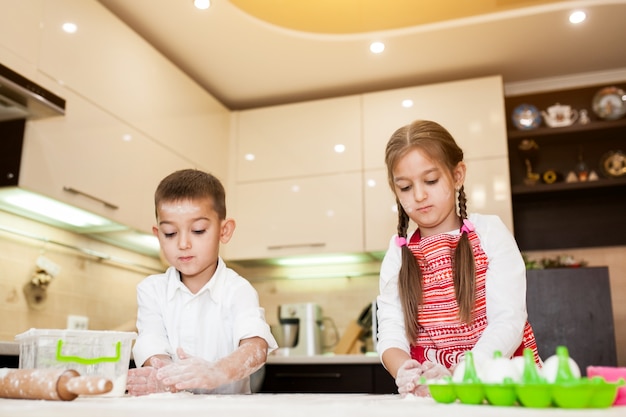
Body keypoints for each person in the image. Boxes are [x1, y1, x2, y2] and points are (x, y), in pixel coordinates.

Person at [376, 120, 540, 397]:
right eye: (404, 187)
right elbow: (391, 330)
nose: (418, 195)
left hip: (505, 389)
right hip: (435, 397)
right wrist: (405, 370)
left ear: (457, 175)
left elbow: (508, 320)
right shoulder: (398, 252)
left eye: (430, 180)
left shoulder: (490, 233)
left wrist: (461, 373)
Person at [126, 169, 277, 396]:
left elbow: (255, 348)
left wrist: (217, 371)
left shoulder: (238, 290)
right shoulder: (151, 290)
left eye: (198, 230)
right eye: (170, 233)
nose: (183, 243)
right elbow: (151, 341)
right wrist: (166, 376)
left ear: (224, 231)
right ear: (158, 235)